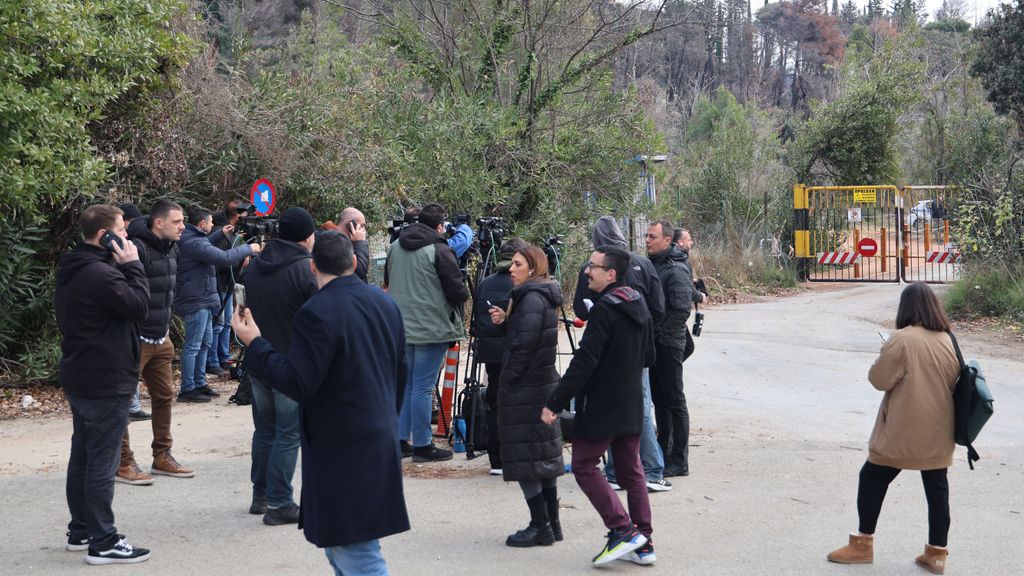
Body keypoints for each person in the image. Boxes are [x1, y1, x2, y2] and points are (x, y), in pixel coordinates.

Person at [233, 231, 410, 576]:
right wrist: (387, 415)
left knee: (356, 549)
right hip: (377, 432)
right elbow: (400, 370)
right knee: (342, 543)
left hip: (343, 442)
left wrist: (255, 343)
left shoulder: (316, 311)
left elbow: (299, 382)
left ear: (313, 267)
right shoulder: (385, 302)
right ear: (355, 263)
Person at [827, 282, 960, 575]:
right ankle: (937, 554)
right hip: (940, 430)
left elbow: (878, 379)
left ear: (906, 308)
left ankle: (862, 544)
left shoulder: (901, 339)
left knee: (871, 478)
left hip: (902, 430)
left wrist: (884, 351)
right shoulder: (948, 339)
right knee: (937, 490)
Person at [541, 245, 656, 565]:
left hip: (603, 405)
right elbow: (650, 356)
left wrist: (555, 402)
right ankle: (644, 542)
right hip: (631, 401)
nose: (586, 272)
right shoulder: (638, 302)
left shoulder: (604, 309)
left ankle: (623, 530)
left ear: (611, 274)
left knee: (583, 465)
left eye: (592, 267)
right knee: (632, 471)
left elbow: (584, 362)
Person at [55, 204, 152, 564]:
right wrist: (132, 265)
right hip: (105, 378)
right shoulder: (102, 274)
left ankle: (81, 529)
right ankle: (104, 541)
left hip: (82, 373)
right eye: (122, 231)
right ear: (104, 236)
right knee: (101, 461)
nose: (127, 237)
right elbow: (140, 305)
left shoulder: (75, 267)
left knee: (82, 455)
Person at [573, 216, 670, 493]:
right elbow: (659, 306)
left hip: (605, 350)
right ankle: (622, 471)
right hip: (639, 349)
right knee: (637, 405)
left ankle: (647, 469)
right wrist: (645, 334)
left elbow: (580, 310)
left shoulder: (591, 268)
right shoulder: (643, 262)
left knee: (622, 407)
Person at [238, 207, 318, 526]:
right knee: (288, 433)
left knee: (265, 430)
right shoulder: (305, 271)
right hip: (290, 365)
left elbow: (240, 310)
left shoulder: (253, 268)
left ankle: (261, 495)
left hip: (259, 359)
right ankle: (281, 502)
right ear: (307, 237)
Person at [488, 245, 565, 547]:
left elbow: (525, 345)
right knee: (542, 457)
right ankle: (551, 524)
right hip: (540, 385)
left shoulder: (531, 297)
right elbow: (523, 336)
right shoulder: (542, 293)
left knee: (527, 459)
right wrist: (505, 323)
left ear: (532, 268)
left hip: (527, 389)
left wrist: (508, 378)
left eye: (517, 264)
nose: (511, 269)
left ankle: (540, 525)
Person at [117, 199, 195, 486]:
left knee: (164, 397)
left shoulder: (172, 248)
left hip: (161, 337)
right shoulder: (135, 248)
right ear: (158, 223)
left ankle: (162, 455)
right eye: (177, 222)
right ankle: (123, 461)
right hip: (135, 337)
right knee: (121, 402)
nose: (183, 227)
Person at [385, 203, 469, 462]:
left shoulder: (395, 247)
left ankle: (401, 440)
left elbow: (388, 279)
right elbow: (458, 292)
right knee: (422, 387)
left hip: (401, 326)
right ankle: (423, 444)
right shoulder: (440, 249)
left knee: (409, 384)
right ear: (440, 227)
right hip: (431, 327)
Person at [174, 208, 260, 403]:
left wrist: (220, 234)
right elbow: (224, 257)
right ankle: (188, 388)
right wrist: (249, 249)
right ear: (203, 224)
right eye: (211, 222)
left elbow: (205, 244)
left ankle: (199, 382)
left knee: (205, 342)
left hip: (202, 297)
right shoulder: (193, 241)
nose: (213, 225)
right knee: (193, 345)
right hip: (195, 299)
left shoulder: (194, 237)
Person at [472, 238, 529, 476]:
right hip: (513, 351)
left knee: (495, 401)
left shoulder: (485, 283)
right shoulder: (523, 284)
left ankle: (496, 458)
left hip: (490, 351)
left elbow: (477, 319)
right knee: (519, 402)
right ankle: (517, 454)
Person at [645, 219, 693, 478]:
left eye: (653, 236)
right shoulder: (653, 264)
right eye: (647, 236)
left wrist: (661, 336)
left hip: (669, 344)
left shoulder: (675, 269)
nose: (648, 240)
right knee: (660, 401)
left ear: (667, 240)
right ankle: (663, 451)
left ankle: (679, 460)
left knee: (674, 401)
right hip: (654, 344)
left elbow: (681, 310)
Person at [207, 200, 248, 376]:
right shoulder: (220, 233)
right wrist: (241, 258)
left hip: (228, 284)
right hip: (220, 284)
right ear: (237, 215)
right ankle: (213, 360)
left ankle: (224, 357)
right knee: (218, 323)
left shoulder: (232, 233)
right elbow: (222, 262)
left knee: (226, 324)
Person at [118, 203, 150, 422]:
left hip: (138, 318)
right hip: (138, 316)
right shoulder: (132, 248)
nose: (125, 233)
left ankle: (133, 405)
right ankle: (132, 406)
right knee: (131, 364)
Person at [674, 227, 708, 361]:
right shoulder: (679, 261)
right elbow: (685, 289)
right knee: (687, 347)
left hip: (674, 316)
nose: (691, 242)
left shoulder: (679, 259)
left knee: (686, 347)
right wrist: (700, 297)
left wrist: (690, 281)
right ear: (680, 242)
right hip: (674, 318)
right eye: (689, 239)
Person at [337, 206, 370, 282]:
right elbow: (361, 271)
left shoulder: (348, 242)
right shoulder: (336, 244)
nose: (363, 230)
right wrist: (360, 242)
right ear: (350, 225)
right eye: (362, 226)